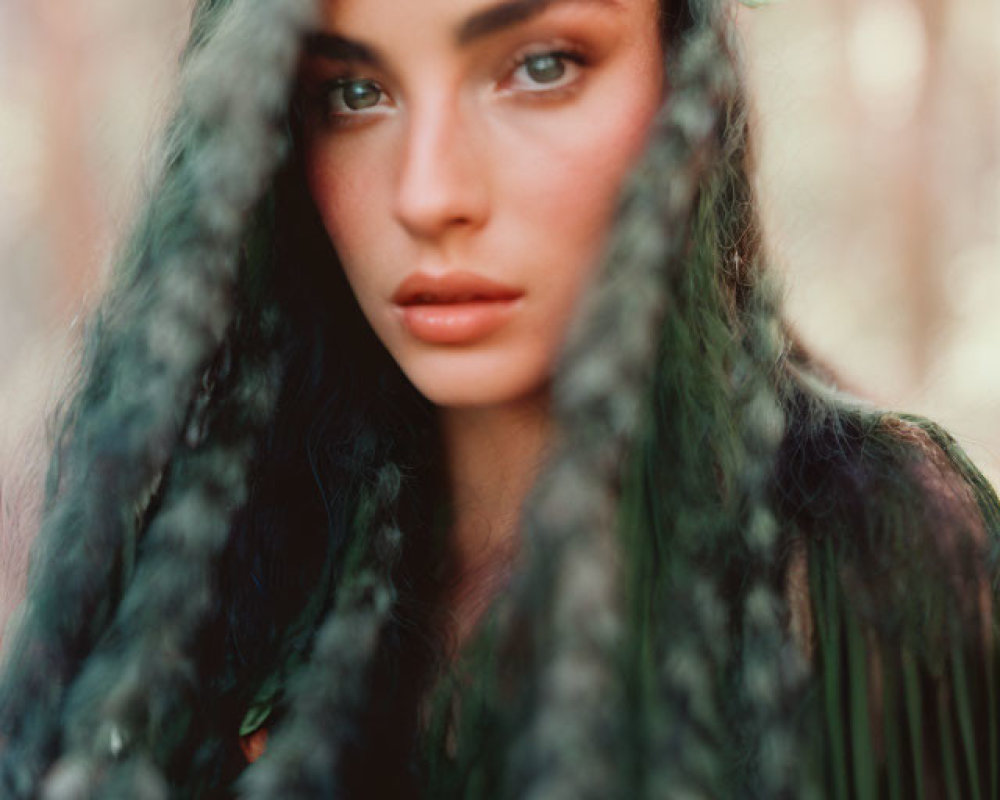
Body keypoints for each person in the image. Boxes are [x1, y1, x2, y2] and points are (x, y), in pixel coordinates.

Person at [0, 0, 997, 797]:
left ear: (685, 86)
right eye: (352, 91)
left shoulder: (868, 550)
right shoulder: (222, 572)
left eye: (540, 65)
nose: (428, 193)